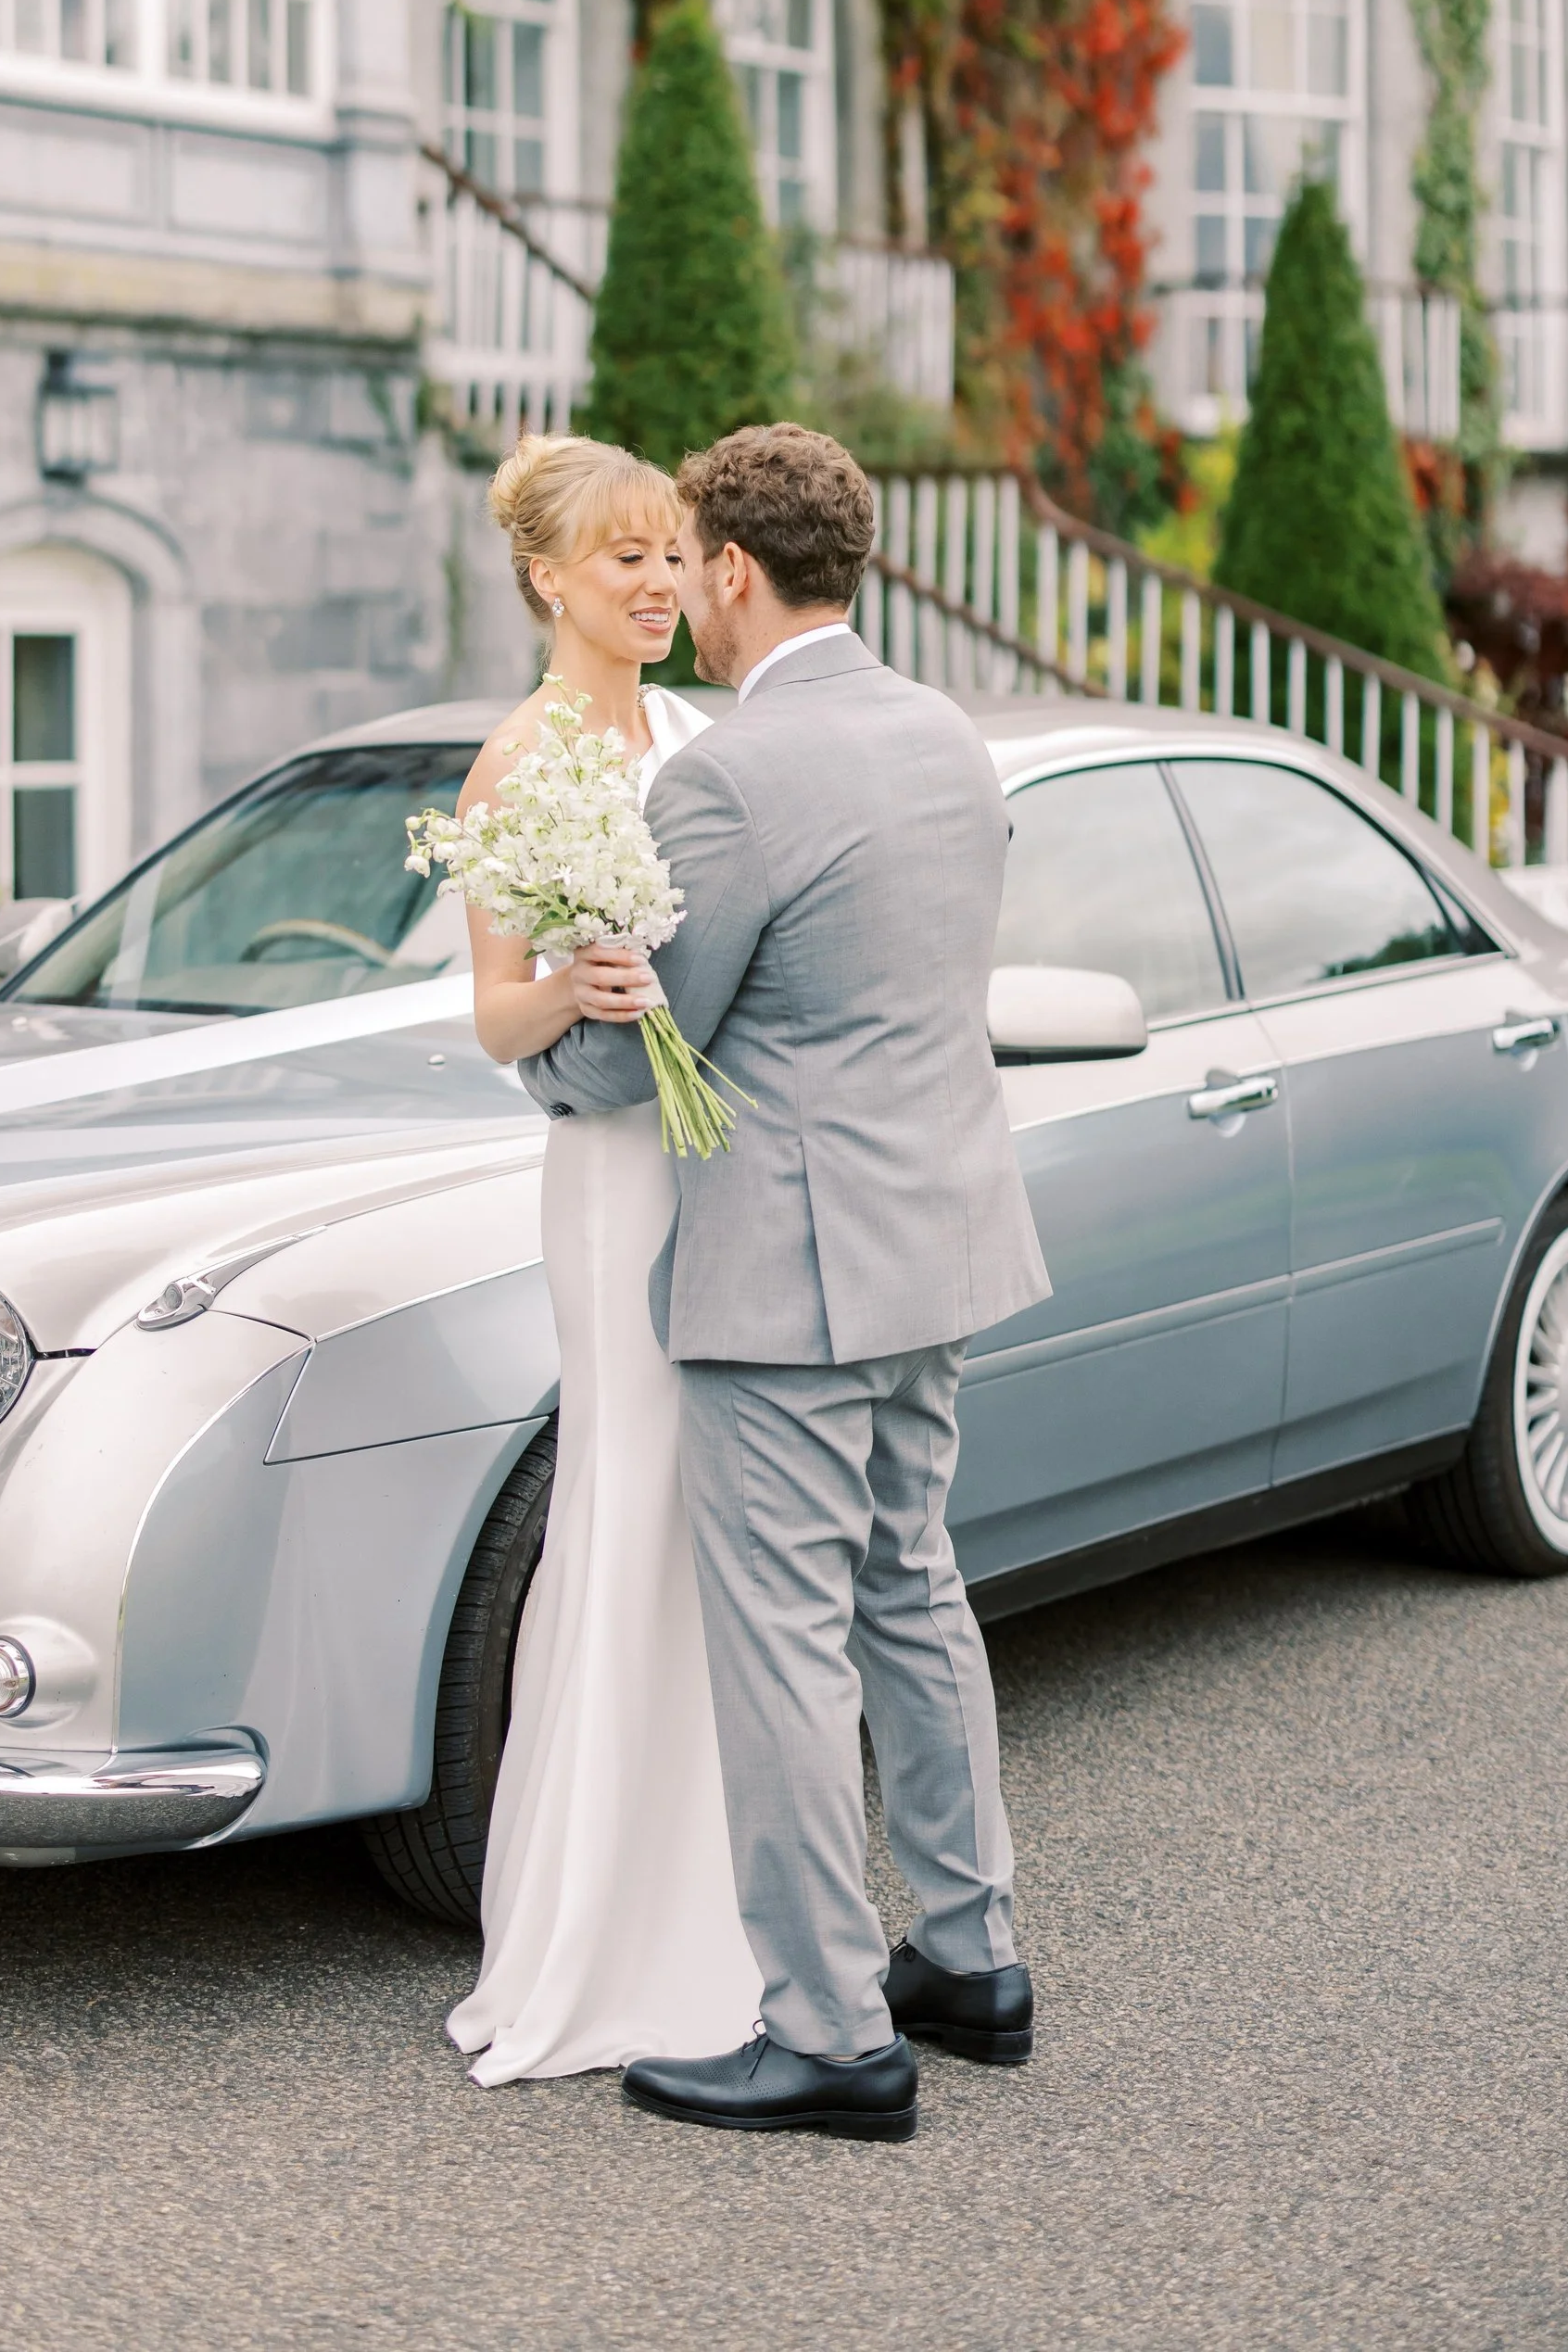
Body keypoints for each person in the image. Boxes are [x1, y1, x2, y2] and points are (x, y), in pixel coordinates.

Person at [521, 422, 1051, 2143]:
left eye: (693, 562)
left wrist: (542, 1054)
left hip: (794, 1269)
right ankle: (971, 1957)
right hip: (940, 1241)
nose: (682, 588)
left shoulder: (730, 777)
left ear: (735, 571)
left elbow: (630, 1055)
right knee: (914, 1585)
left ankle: (830, 2025)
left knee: (786, 1642)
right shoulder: (948, 739)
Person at [445, 432, 764, 2087]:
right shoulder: (524, 759)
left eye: (671, 555)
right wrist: (587, 983)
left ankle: (721, 1914)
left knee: (703, 1523)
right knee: (624, 1507)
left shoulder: (696, 732)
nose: (656, 582)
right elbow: (496, 1013)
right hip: (609, 1177)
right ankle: (600, 1947)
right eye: (624, 558)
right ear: (549, 577)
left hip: (715, 1165)